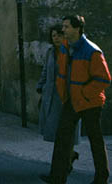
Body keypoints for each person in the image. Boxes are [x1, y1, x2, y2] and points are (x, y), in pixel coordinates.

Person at [40, 15, 111, 184]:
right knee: (62, 138)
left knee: (96, 141)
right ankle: (57, 177)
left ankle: (101, 178)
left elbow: (104, 79)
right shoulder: (65, 46)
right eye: (63, 27)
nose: (63, 30)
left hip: (90, 102)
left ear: (77, 29)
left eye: (66, 27)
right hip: (71, 100)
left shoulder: (92, 51)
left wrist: (84, 93)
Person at [37, 25, 80, 171]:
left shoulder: (70, 52)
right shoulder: (50, 52)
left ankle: (65, 162)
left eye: (59, 35)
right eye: (53, 35)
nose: (56, 38)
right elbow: (45, 70)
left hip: (66, 95)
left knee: (67, 130)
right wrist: (41, 85)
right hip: (52, 95)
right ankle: (68, 156)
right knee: (56, 130)